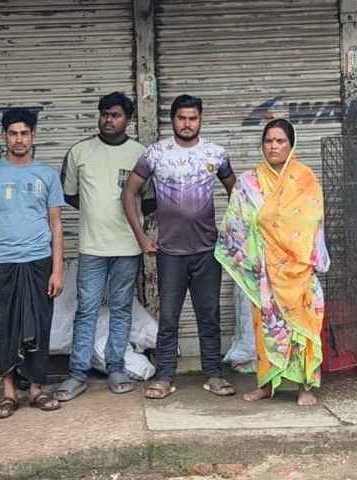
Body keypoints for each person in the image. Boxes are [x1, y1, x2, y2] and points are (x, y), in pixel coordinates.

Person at [122, 94, 236, 399]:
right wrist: (141, 237)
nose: (187, 124)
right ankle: (164, 377)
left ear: (200, 120)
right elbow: (129, 192)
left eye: (193, 118)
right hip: (170, 253)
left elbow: (237, 193)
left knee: (209, 316)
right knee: (169, 318)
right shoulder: (156, 153)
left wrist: (231, 233)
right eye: (182, 118)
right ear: (172, 120)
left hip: (207, 252)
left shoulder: (216, 153)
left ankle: (214, 375)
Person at [215, 119, 330, 406]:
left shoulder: (306, 179)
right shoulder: (248, 182)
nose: (274, 146)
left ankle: (305, 386)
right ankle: (266, 385)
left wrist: (294, 249)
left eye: (280, 141)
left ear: (291, 145)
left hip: (298, 268)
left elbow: (313, 221)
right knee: (266, 327)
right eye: (269, 141)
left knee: (303, 326)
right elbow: (236, 223)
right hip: (264, 269)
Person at [54, 92, 151, 401]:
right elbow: (69, 194)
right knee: (86, 310)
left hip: (128, 247)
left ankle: (116, 368)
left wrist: (131, 221)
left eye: (116, 115)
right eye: (105, 114)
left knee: (122, 308)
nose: (109, 120)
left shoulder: (141, 154)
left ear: (128, 120)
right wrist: (96, 213)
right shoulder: (80, 151)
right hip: (92, 247)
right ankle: (77, 373)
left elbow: (151, 199)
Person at [0, 108, 65, 419]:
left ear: (33, 136)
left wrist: (57, 270)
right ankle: (9, 393)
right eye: (13, 134)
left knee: (39, 325)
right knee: (6, 326)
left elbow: (56, 226)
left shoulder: (47, 175)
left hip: (39, 261)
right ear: (4, 137)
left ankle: (38, 389)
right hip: (3, 262)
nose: (19, 139)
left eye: (24, 133)